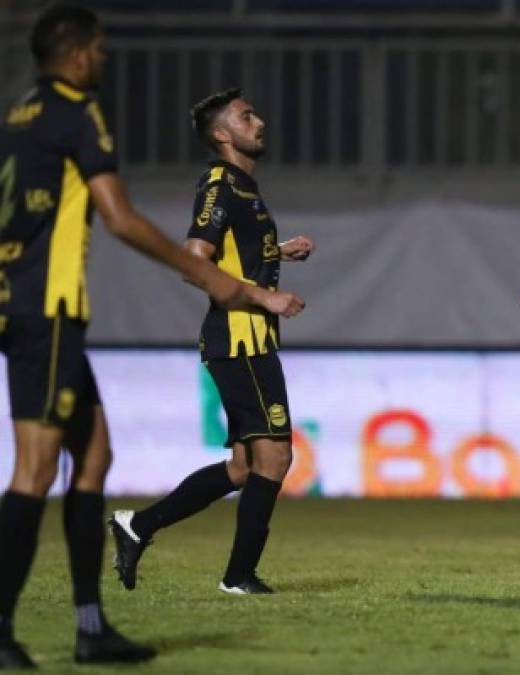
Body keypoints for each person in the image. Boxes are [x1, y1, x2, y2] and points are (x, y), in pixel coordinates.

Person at [0, 6, 304, 669]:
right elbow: (123, 219)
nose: (106, 59)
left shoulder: (20, 113)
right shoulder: (81, 111)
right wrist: (229, 284)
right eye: (101, 49)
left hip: (32, 303)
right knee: (33, 471)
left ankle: (93, 620)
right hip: (47, 306)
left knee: (95, 459)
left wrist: (272, 258)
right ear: (78, 54)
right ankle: (7, 628)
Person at [108, 88, 314, 597]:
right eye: (247, 116)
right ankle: (237, 577)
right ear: (222, 134)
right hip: (239, 340)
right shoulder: (221, 184)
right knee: (275, 460)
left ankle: (138, 524)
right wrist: (266, 299)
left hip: (248, 338)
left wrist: (277, 253)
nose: (259, 121)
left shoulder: (243, 187)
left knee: (245, 467)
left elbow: (229, 254)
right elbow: (194, 260)